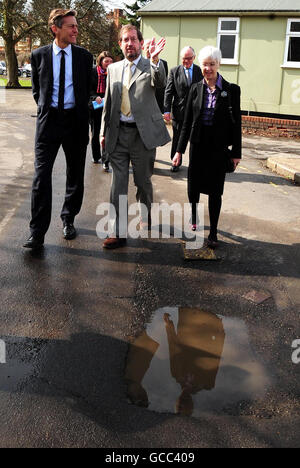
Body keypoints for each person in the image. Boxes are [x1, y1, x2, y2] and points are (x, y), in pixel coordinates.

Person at [23, 9, 93, 249]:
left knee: (75, 175)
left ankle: (68, 218)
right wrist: (47, 109)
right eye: (71, 26)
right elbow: (36, 91)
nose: (76, 30)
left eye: (76, 26)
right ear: (56, 28)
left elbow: (90, 88)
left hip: (75, 122)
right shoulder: (39, 55)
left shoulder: (84, 57)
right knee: (41, 177)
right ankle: (37, 233)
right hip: (49, 122)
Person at [100, 25, 170, 249]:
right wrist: (103, 131)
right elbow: (109, 104)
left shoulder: (151, 65)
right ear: (120, 44)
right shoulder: (113, 69)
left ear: (140, 43)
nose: (129, 43)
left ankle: (145, 214)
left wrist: (155, 60)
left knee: (142, 181)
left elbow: (160, 85)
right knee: (117, 184)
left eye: (133, 39)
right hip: (118, 133)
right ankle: (117, 232)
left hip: (143, 136)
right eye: (125, 40)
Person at [173, 46, 242, 249]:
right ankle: (194, 217)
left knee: (215, 191)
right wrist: (179, 150)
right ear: (200, 65)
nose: (208, 68)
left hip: (218, 148)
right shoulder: (195, 88)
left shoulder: (231, 90)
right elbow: (186, 122)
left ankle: (213, 232)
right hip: (198, 145)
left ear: (218, 65)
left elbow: (237, 123)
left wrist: (236, 153)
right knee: (193, 187)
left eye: (212, 64)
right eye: (205, 64)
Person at [164, 46, 203, 173]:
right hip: (179, 111)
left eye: (189, 58)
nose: (186, 61)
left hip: (196, 112)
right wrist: (167, 110)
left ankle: (196, 164)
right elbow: (168, 92)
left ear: (194, 58)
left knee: (196, 139)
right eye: (184, 59)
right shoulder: (174, 71)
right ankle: (175, 161)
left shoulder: (200, 71)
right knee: (177, 138)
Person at [89, 51, 113, 170]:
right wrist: (95, 97)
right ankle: (96, 156)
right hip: (95, 107)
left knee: (106, 134)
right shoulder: (93, 72)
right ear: (101, 61)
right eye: (106, 61)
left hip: (108, 106)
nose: (108, 63)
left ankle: (106, 160)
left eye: (110, 61)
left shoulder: (114, 72)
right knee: (95, 133)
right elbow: (88, 88)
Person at [143, 38, 168, 114]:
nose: (150, 49)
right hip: (143, 103)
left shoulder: (163, 63)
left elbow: (163, 83)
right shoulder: (138, 63)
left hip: (157, 103)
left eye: (153, 47)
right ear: (142, 48)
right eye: (148, 47)